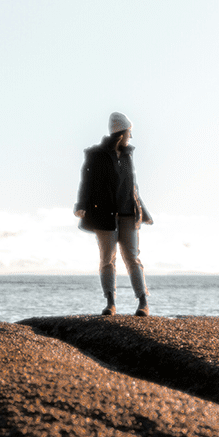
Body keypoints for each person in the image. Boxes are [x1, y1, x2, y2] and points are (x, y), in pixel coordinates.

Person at [74, 112, 153, 317]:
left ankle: (143, 303)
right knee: (107, 259)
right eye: (129, 132)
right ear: (121, 132)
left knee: (132, 258)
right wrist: (81, 204)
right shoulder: (96, 154)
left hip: (129, 213)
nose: (131, 137)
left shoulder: (128, 155)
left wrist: (143, 211)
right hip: (104, 215)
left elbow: (132, 186)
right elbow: (87, 182)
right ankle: (111, 303)